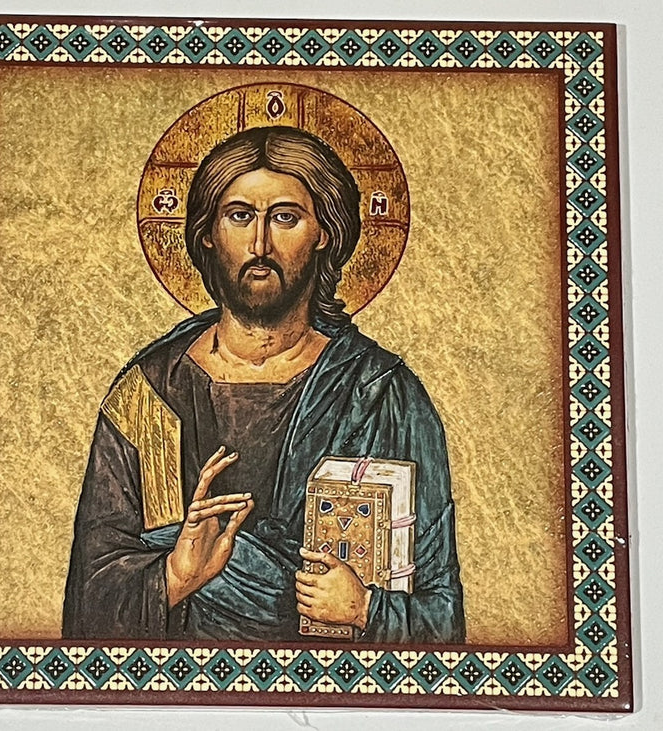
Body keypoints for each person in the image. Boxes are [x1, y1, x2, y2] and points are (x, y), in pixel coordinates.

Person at [62, 126, 465, 643]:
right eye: (239, 216)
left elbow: (444, 621)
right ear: (208, 233)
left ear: (325, 233)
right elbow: (88, 606)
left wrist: (367, 609)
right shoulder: (149, 396)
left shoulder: (381, 395)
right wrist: (175, 578)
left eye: (285, 217)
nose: (259, 244)